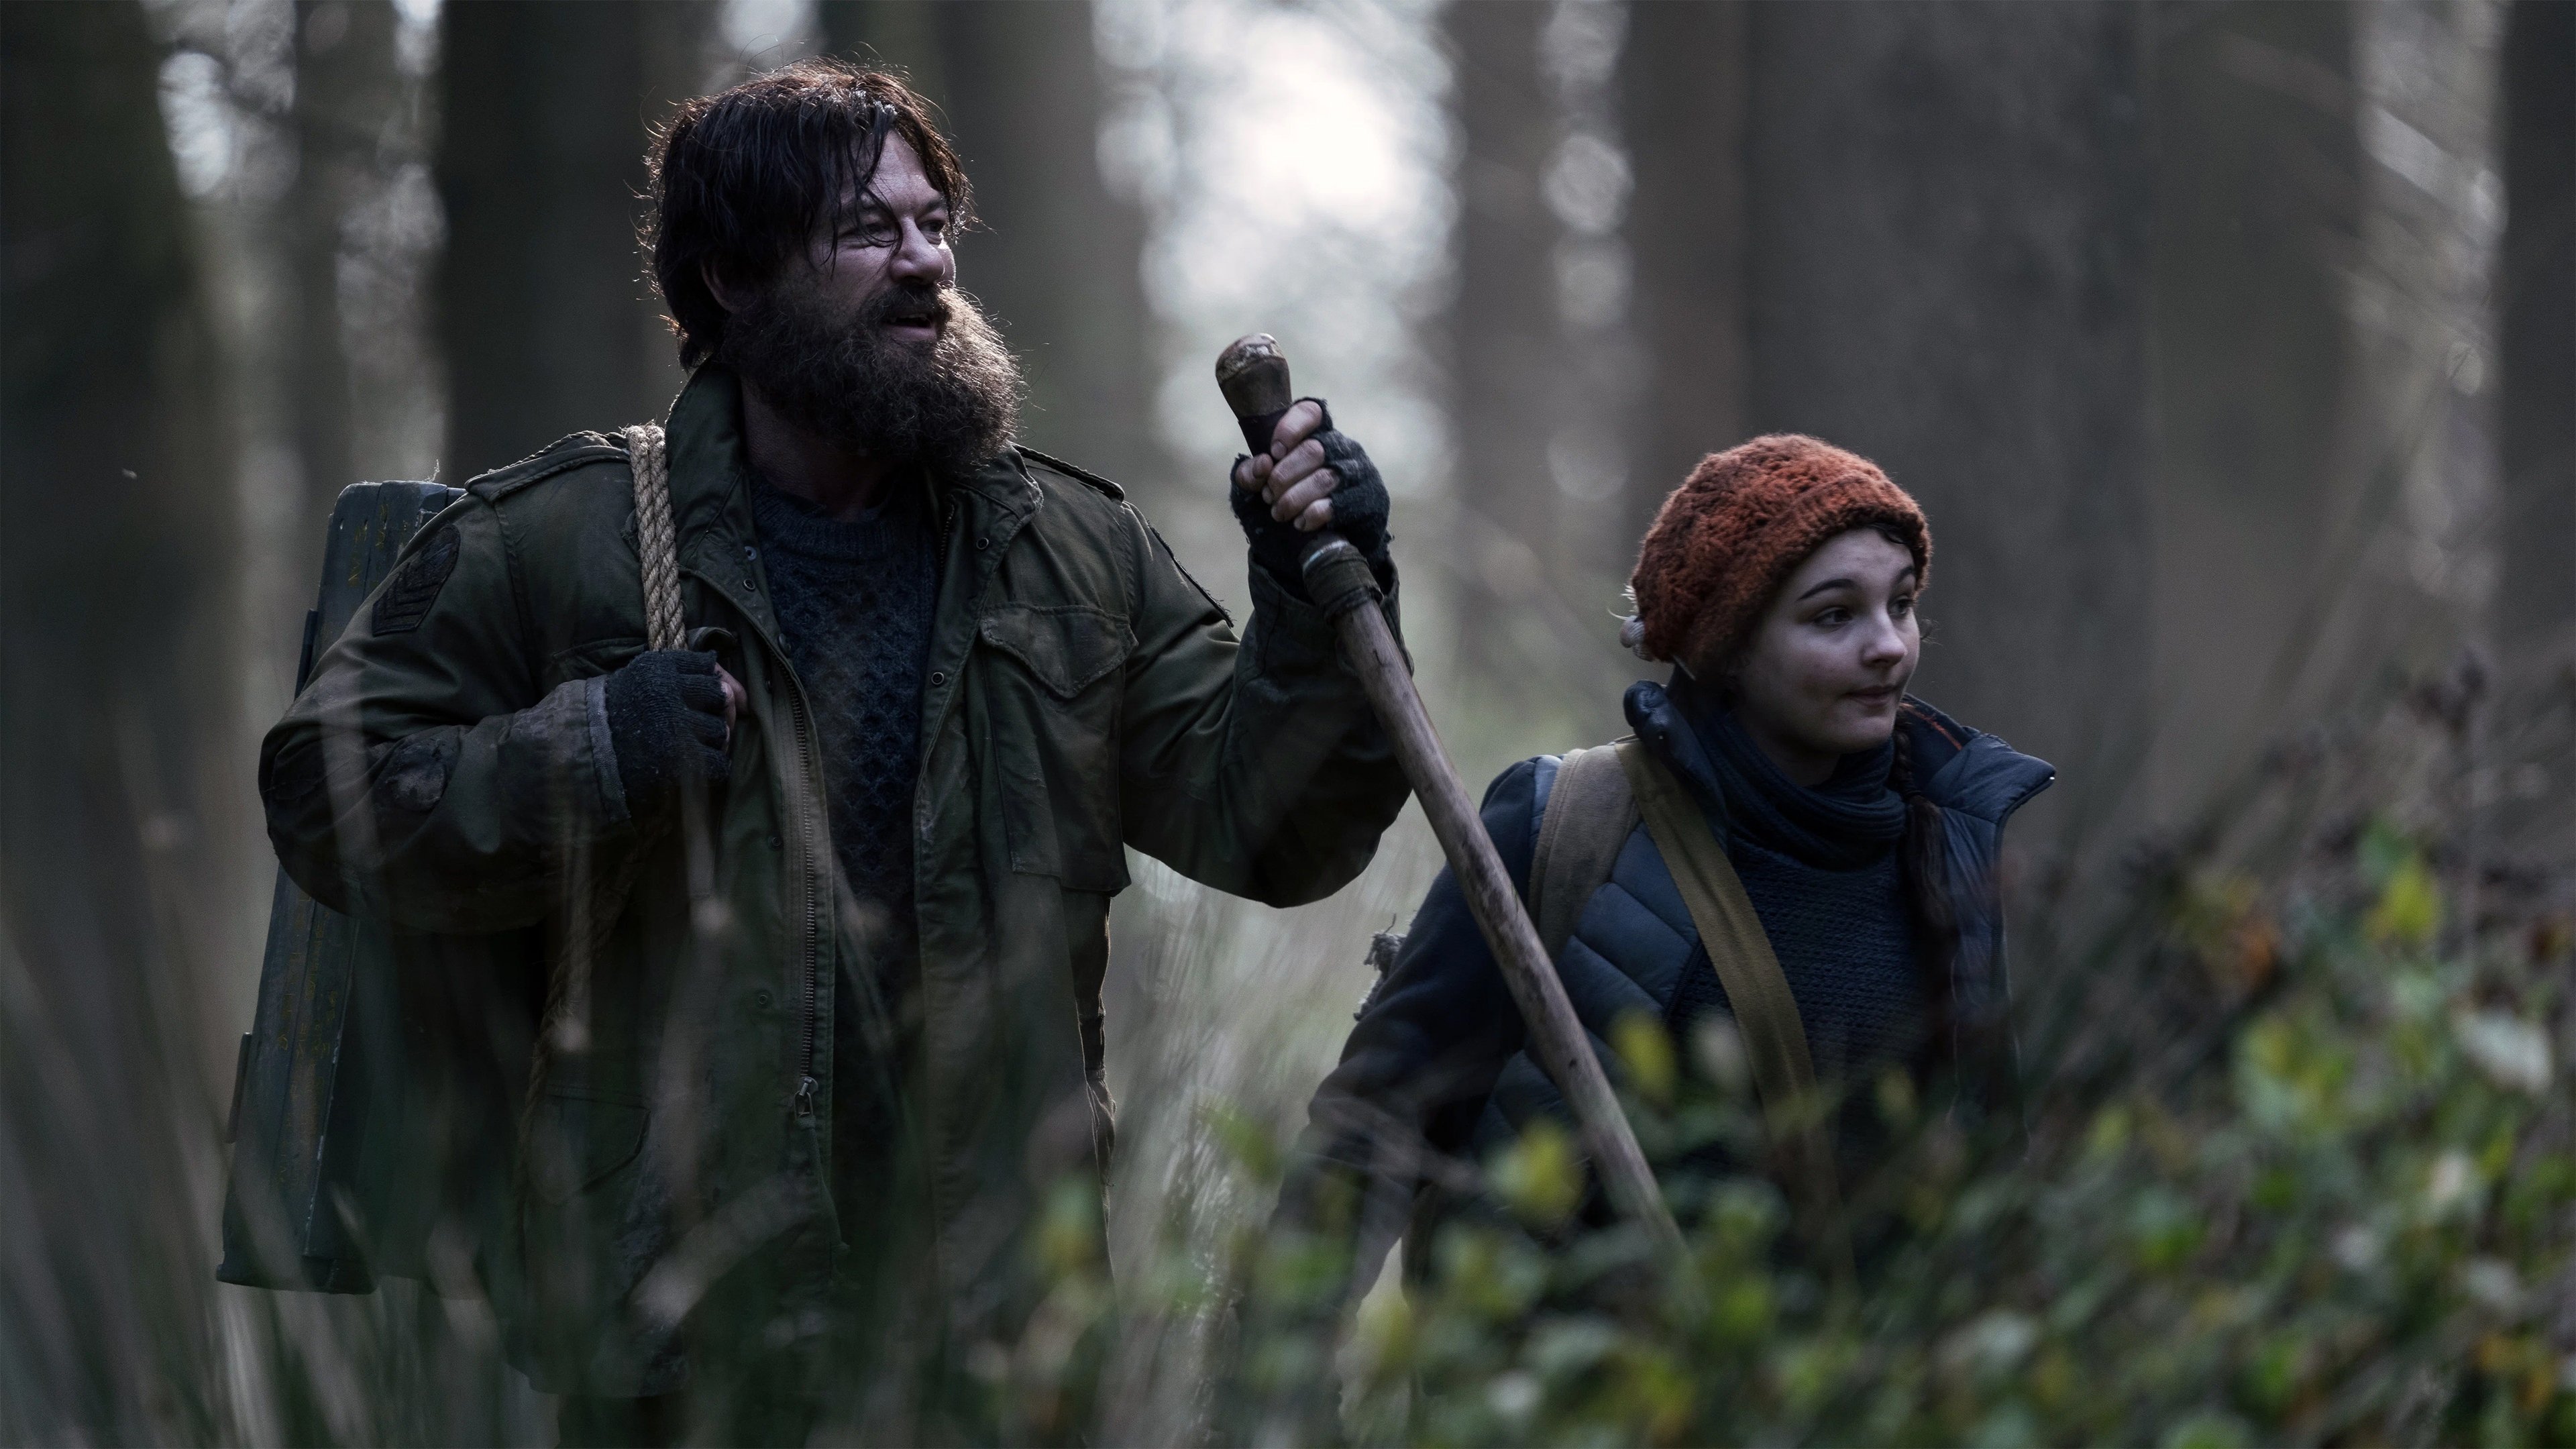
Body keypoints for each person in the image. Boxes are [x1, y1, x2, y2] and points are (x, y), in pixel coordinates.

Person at [259, 60, 1409, 1443]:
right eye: (868, 231)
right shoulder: (560, 543)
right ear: (733, 279)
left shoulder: (1071, 557)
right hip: (673, 1343)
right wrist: (597, 745)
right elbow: (325, 797)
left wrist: (1312, 594)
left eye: (935, 225)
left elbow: (1274, 830)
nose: (926, 265)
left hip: (999, 1341)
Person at [1274, 433, 2054, 1311]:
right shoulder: (1566, 827)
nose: (1889, 647)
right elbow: (1373, 1132)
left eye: (1901, 604)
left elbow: (1995, 1174)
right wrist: (1275, 1367)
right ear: (1729, 647)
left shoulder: (1952, 839)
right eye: (1834, 615)